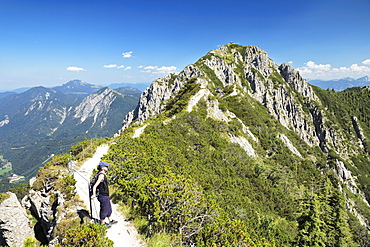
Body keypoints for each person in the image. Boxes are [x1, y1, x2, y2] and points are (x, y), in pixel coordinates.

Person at [91, 161, 118, 227]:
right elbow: (95, 185)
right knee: (104, 209)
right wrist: (94, 194)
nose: (107, 167)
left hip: (105, 195)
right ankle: (102, 223)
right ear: (102, 168)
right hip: (102, 195)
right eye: (106, 166)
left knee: (108, 207)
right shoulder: (101, 175)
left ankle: (110, 220)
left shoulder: (102, 174)